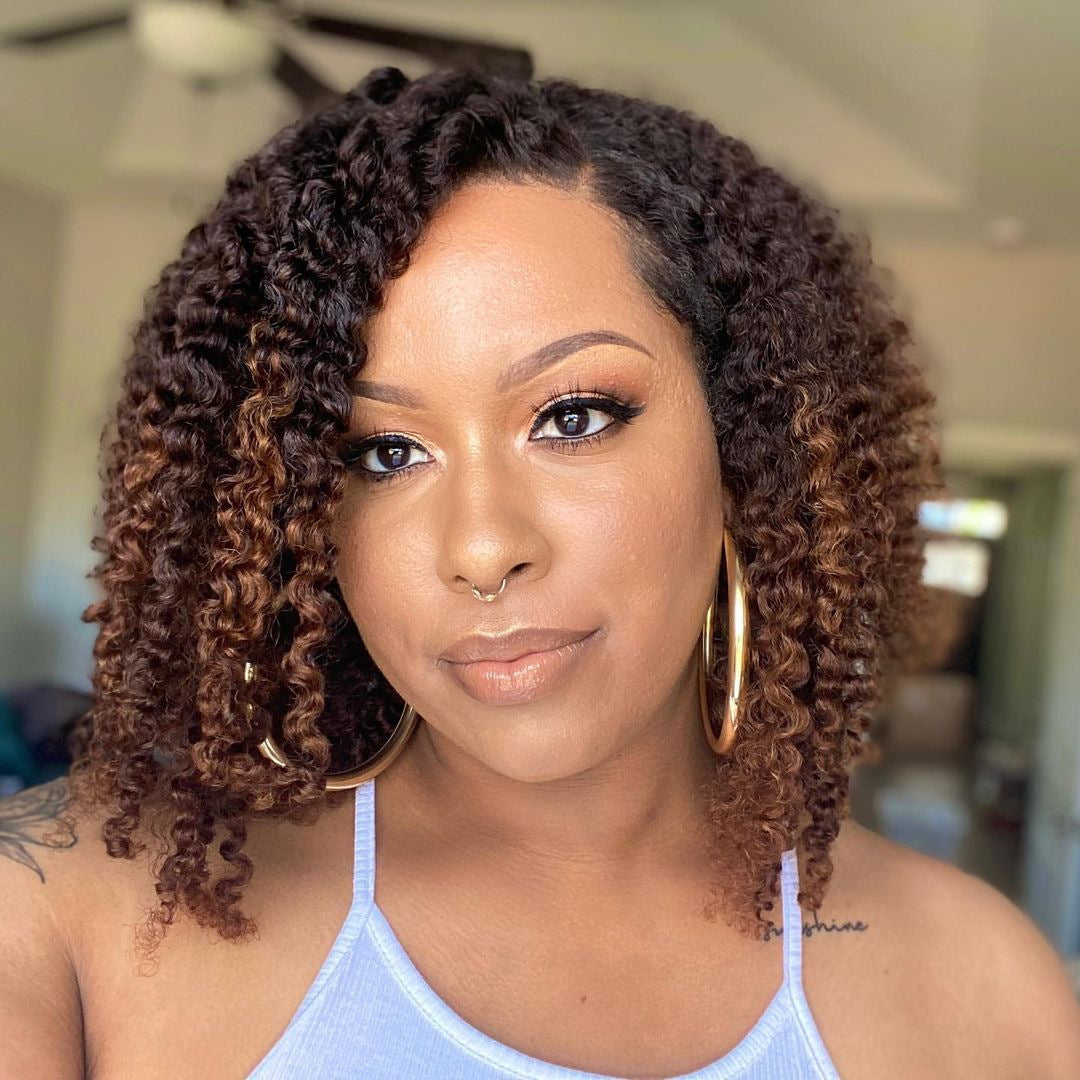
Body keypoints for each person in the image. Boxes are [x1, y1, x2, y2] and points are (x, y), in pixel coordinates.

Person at [2, 64, 1078, 1080]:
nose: (481, 548)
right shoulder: (67, 923)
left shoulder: (983, 991)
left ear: (750, 448)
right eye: (383, 453)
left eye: (572, 418)